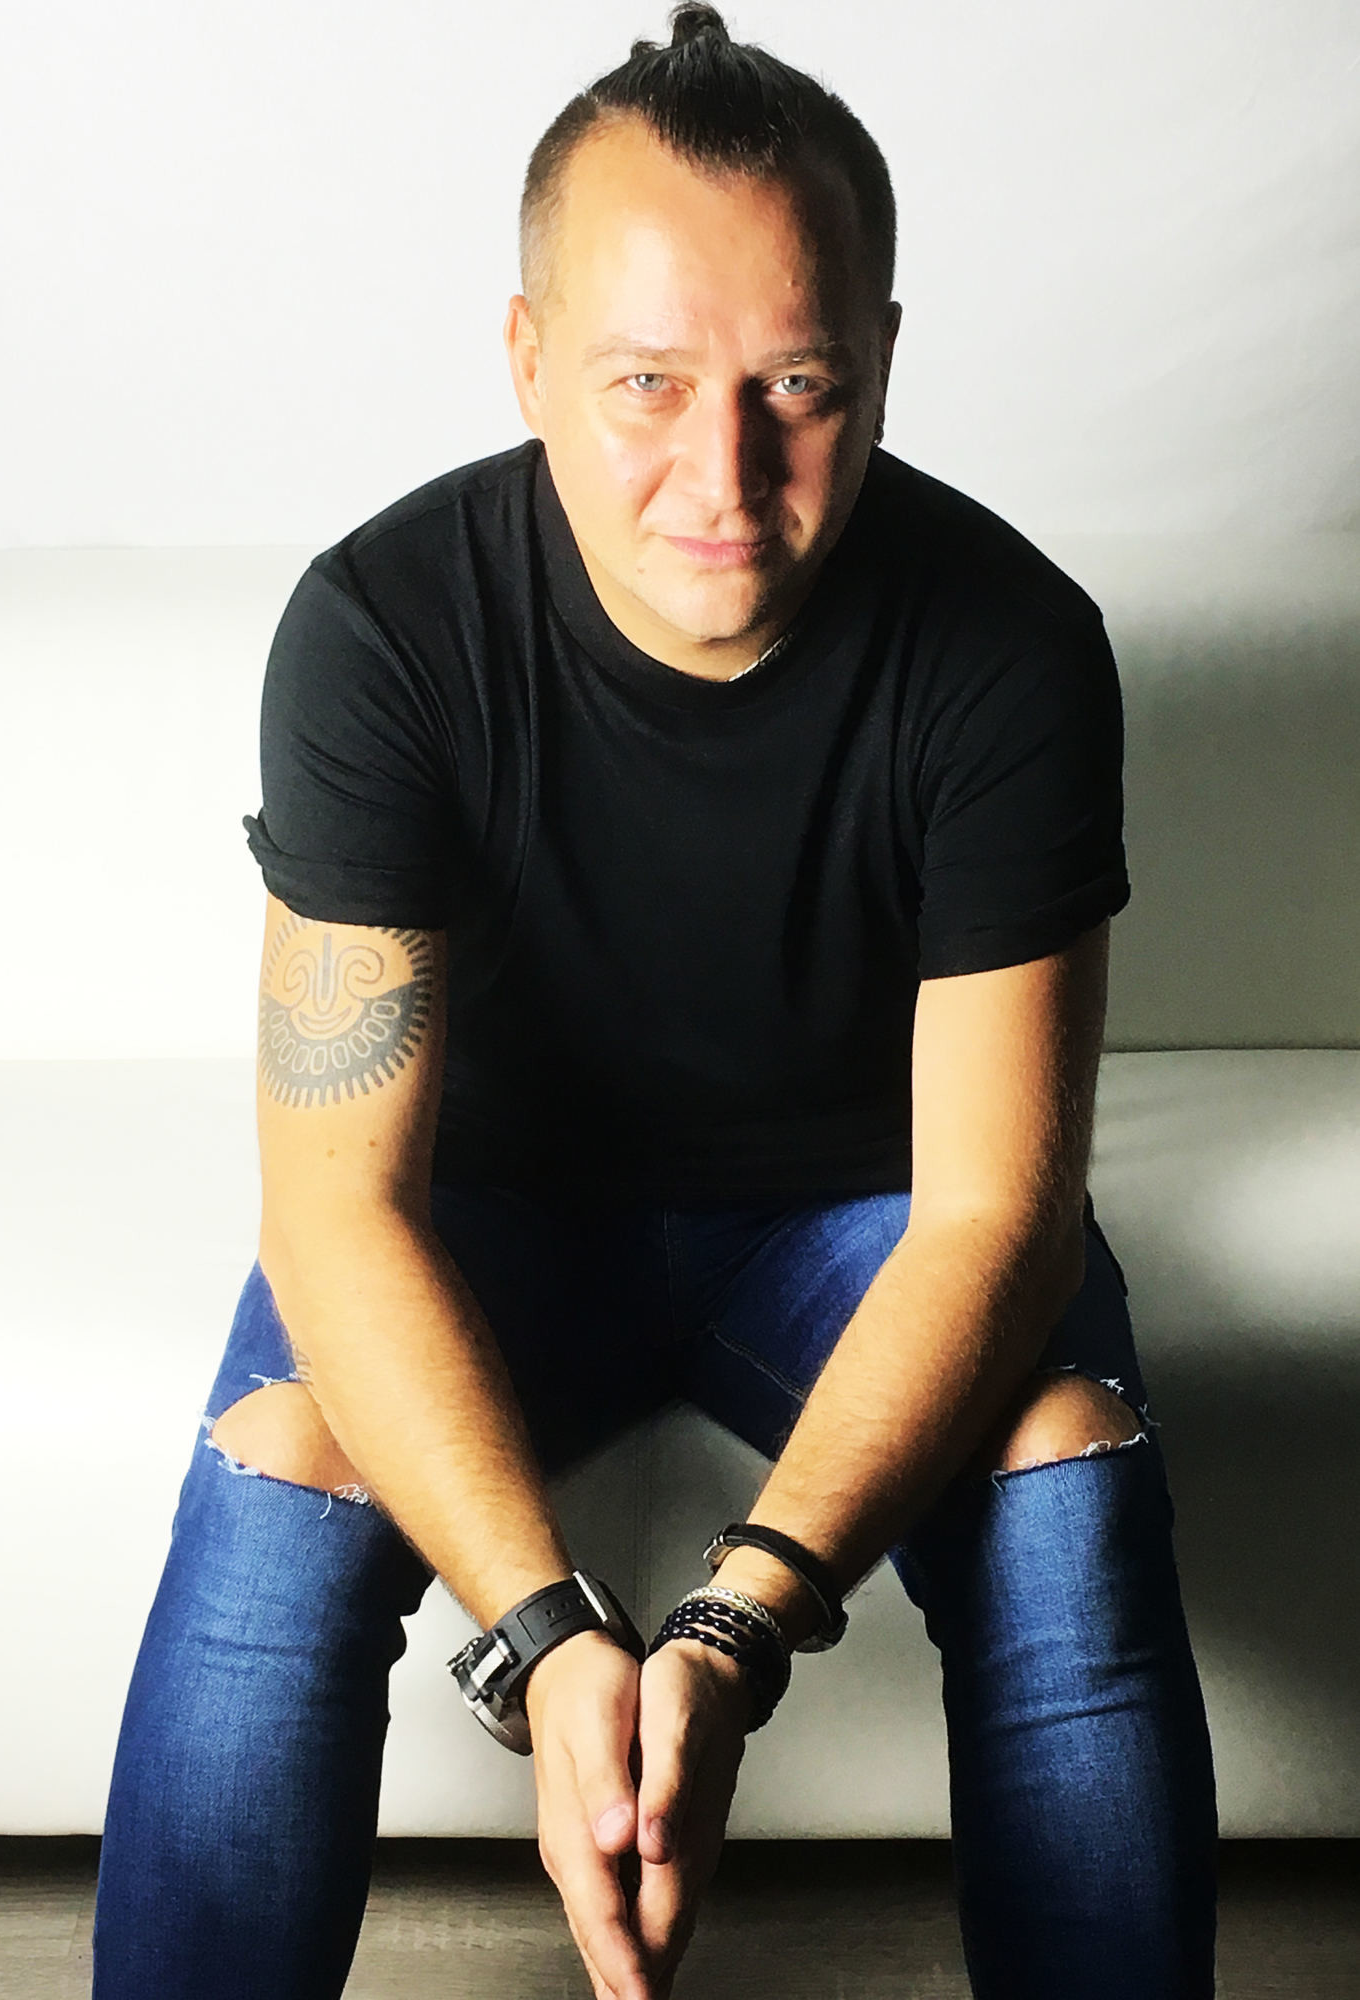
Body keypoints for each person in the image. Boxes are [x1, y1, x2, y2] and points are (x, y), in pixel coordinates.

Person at [91, 8, 1219, 1996]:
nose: (727, 472)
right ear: (527, 360)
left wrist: (736, 1623)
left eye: (798, 384)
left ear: (880, 356)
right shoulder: (381, 633)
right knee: (279, 1472)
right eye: (645, 385)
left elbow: (995, 1215)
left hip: (863, 1215)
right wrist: (546, 1635)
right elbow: (336, 1206)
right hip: (493, 1212)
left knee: (1065, 1469)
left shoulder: (1011, 646)